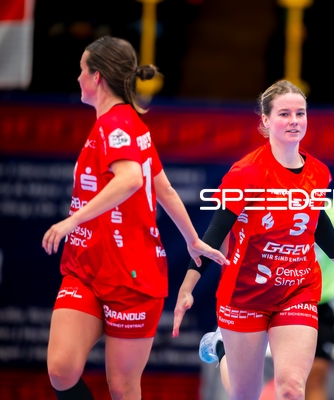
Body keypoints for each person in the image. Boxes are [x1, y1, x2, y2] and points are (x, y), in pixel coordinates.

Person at [41, 36, 228, 400]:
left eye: (82, 70)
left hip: (132, 276)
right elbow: (164, 189)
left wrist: (71, 221)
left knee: (124, 388)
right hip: (86, 267)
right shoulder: (123, 124)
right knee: (61, 371)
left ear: (97, 77)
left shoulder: (118, 125)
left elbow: (131, 179)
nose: (78, 77)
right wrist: (192, 239)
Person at [172, 80, 334, 400]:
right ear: (266, 120)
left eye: (300, 113)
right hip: (246, 292)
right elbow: (215, 234)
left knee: (291, 389)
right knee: (245, 395)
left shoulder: (318, 172)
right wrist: (188, 286)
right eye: (284, 114)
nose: (294, 120)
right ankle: (222, 348)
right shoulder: (246, 173)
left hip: (297, 289)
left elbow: (317, 220)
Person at [199, 203, 334, 400]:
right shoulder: (255, 202)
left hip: (310, 300)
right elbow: (225, 238)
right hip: (258, 296)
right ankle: (221, 346)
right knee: (244, 391)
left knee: (307, 381)